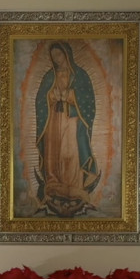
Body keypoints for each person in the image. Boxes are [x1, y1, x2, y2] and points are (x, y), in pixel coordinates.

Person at [33, 40, 101, 217]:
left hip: (72, 120)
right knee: (53, 152)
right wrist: (51, 96)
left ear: (66, 54)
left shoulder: (80, 76)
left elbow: (88, 101)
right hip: (53, 120)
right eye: (53, 56)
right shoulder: (50, 76)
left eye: (59, 54)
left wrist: (71, 96)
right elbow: (40, 100)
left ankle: (73, 186)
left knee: (70, 152)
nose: (56, 59)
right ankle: (53, 183)